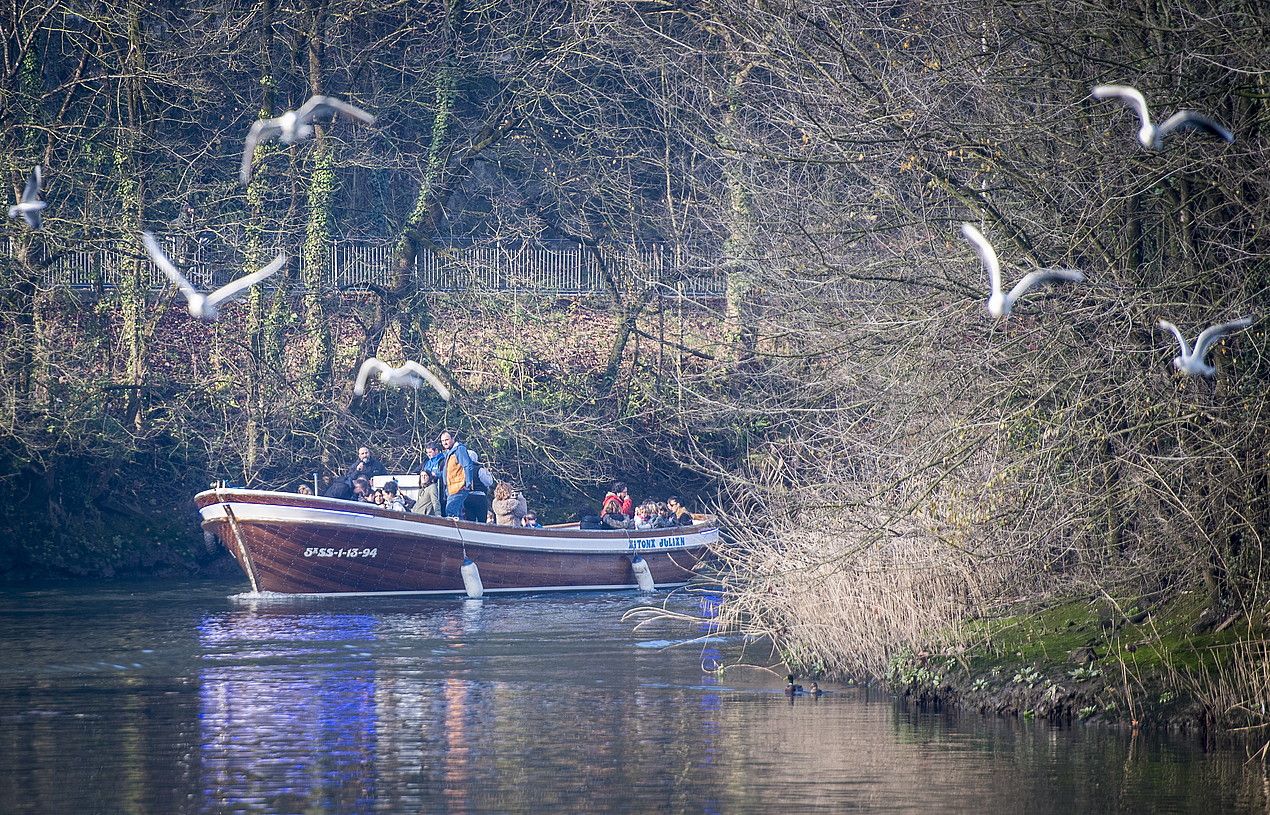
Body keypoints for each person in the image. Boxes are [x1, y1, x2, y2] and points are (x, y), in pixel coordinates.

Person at [438, 430, 476, 519]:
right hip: (451, 489)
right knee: (457, 515)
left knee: (450, 512)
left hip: (458, 487)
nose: (445, 443)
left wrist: (468, 483)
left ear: (452, 439)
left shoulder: (459, 449)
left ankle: (453, 532)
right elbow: (447, 471)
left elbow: (468, 465)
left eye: (446, 440)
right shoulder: (448, 452)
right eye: (443, 441)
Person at [464, 452, 494, 523]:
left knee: (470, 520)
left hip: (467, 496)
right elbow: (489, 482)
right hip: (480, 497)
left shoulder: (462, 470)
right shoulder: (479, 469)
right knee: (482, 520)